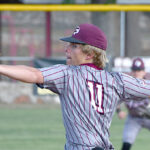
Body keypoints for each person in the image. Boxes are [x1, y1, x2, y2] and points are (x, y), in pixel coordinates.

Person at [0, 23, 150, 150]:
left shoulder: (67, 75)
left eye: (74, 45)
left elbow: (33, 74)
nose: (67, 49)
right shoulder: (117, 80)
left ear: (90, 53)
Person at [117, 57, 150, 150]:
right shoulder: (126, 84)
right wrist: (119, 111)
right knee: (126, 145)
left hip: (149, 117)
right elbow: (117, 99)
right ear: (131, 71)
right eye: (134, 70)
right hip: (134, 118)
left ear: (144, 71)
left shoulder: (148, 83)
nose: (137, 72)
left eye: (139, 70)